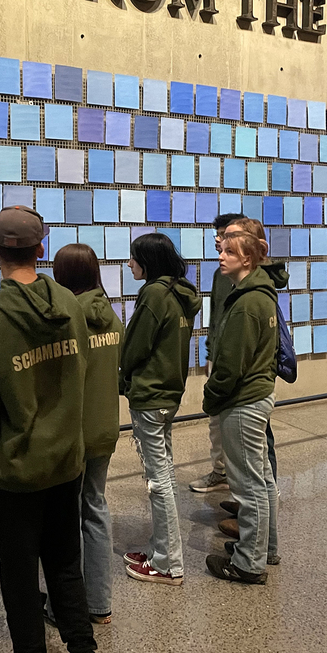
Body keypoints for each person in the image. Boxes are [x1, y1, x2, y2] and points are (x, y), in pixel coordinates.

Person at [0, 206, 97, 653]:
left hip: (16, 474)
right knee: (65, 567)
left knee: (19, 578)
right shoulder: (73, 308)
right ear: (42, 249)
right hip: (66, 464)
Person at [48, 243, 124, 624]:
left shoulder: (66, 319)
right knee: (94, 508)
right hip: (105, 429)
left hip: (72, 433)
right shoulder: (112, 317)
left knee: (62, 520)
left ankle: (64, 607)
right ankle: (99, 604)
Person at [120, 234, 201, 586]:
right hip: (169, 393)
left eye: (134, 258)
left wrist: (123, 377)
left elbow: (135, 345)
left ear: (148, 262)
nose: (129, 264)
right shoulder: (182, 292)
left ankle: (168, 564)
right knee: (163, 473)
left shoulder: (154, 294)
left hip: (150, 396)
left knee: (159, 481)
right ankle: (159, 549)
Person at [203, 230, 280, 585]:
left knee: (249, 487)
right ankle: (265, 548)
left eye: (229, 252)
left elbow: (230, 365)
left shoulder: (248, 303)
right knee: (261, 481)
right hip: (256, 395)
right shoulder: (259, 293)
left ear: (247, 260)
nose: (221, 256)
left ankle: (249, 563)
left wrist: (211, 397)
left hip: (244, 401)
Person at [188, 212, 245, 494]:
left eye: (224, 236)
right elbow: (216, 318)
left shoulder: (254, 281)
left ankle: (254, 492)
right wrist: (211, 353)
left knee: (247, 434)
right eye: (217, 237)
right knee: (216, 426)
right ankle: (221, 473)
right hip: (218, 359)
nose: (218, 243)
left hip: (241, 367)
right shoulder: (219, 274)